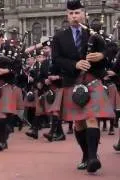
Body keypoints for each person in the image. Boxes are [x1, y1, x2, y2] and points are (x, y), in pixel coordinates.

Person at [52, 0, 114, 173]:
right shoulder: (59, 37)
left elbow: (112, 47)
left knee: (91, 117)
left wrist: (101, 55)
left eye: (77, 13)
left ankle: (94, 157)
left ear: (84, 14)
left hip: (92, 79)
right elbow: (56, 60)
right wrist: (75, 64)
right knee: (79, 122)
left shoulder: (94, 33)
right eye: (71, 13)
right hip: (72, 81)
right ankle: (86, 155)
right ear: (67, 15)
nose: (74, 16)